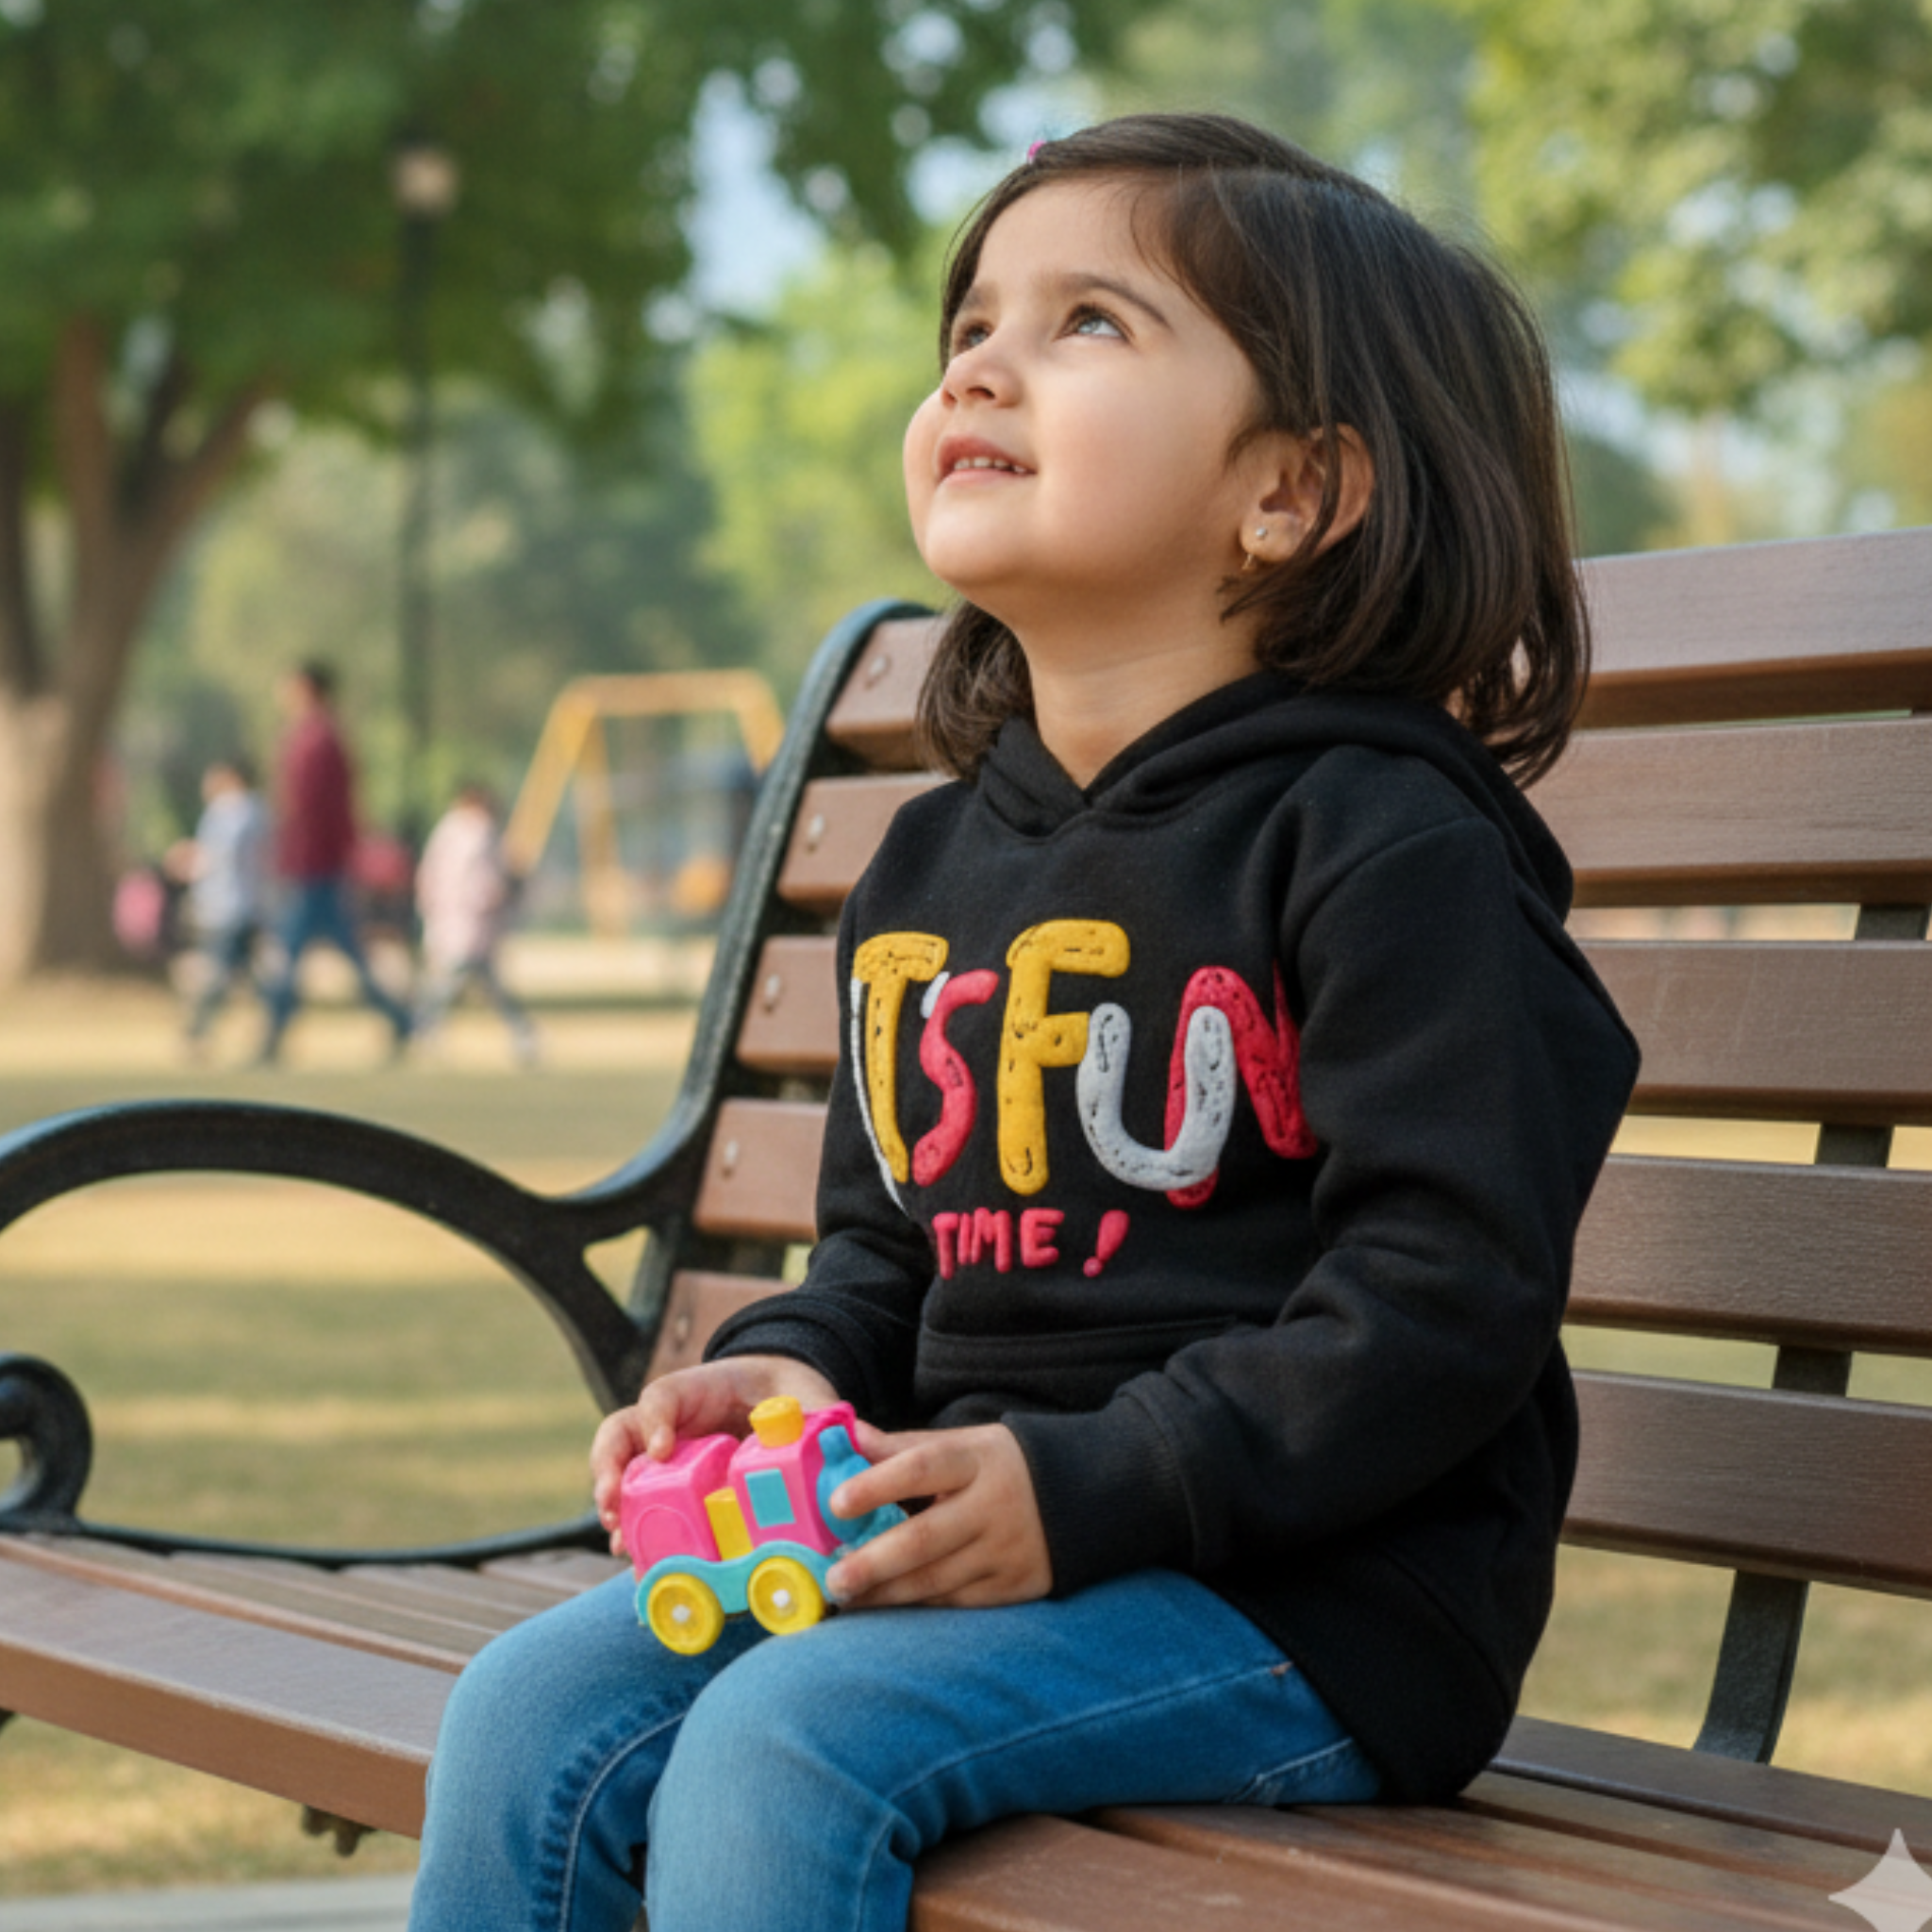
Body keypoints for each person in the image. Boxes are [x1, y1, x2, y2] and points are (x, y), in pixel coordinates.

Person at [408, 112, 1641, 1932]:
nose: (980, 356)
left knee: (788, 1742)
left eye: (1086, 323)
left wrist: (1100, 1481)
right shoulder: (934, 861)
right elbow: (889, 1241)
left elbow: (1441, 1302)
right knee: (533, 1708)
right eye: (972, 319)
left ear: (1289, 491)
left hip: (1309, 1600)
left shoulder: (1387, 840)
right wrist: (800, 1361)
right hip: (973, 1547)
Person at [256, 661, 413, 1064]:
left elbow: (316, 809)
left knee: (289, 954)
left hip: (314, 865)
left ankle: (273, 1031)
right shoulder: (317, 737)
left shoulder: (317, 741)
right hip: (316, 864)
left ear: (307, 688)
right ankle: (399, 1018)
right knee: (341, 953)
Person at [411, 782, 538, 1065]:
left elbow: (430, 877)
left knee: (465, 980)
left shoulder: (448, 832)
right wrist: (500, 894)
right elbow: (483, 881)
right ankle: (422, 1026)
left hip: (456, 920)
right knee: (459, 980)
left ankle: (423, 1026)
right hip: (468, 920)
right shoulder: (476, 833)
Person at [177, 756, 271, 1052]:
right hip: (246, 904)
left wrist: (189, 860)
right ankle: (270, 1030)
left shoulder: (230, 812)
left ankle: (197, 1031)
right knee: (250, 976)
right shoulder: (258, 811)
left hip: (227, 907)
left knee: (218, 974)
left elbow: (217, 858)